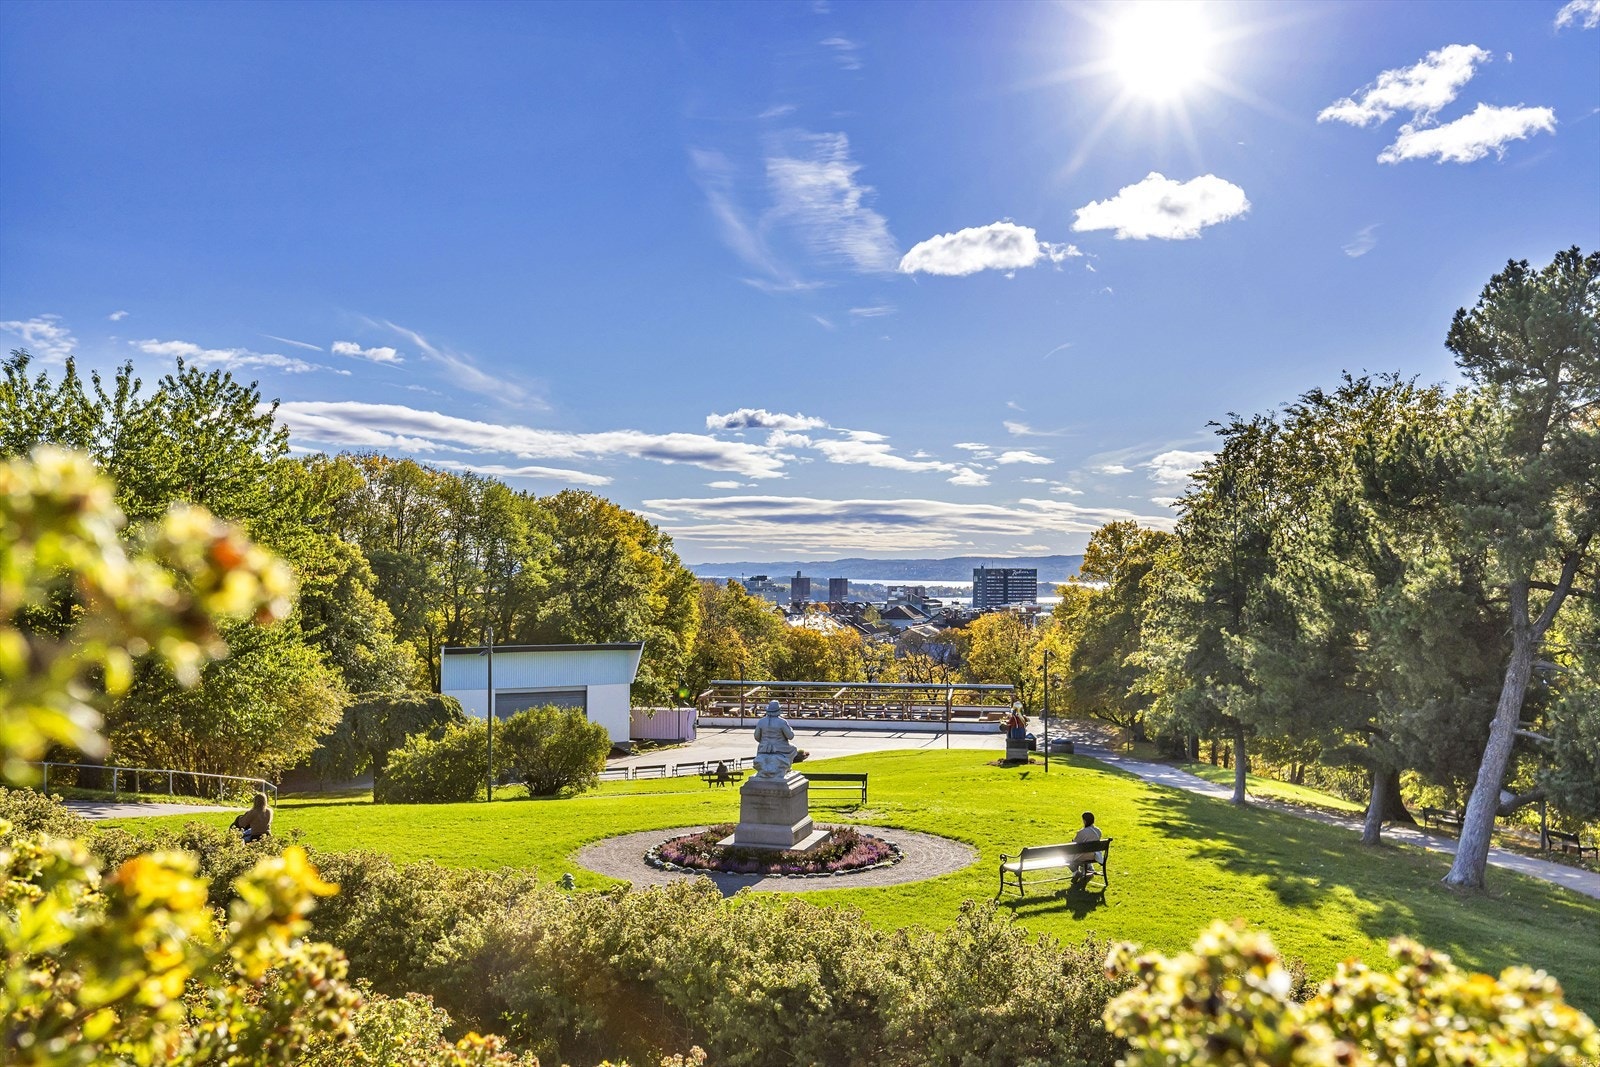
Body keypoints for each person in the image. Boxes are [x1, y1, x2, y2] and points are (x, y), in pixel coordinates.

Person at [1071, 811, 1102, 880]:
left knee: (1066, 856)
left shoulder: (1081, 832)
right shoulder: (1098, 831)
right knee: (1081, 853)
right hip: (1094, 855)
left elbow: (1074, 844)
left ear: (1084, 821)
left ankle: (1076, 872)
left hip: (1083, 856)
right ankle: (1088, 868)